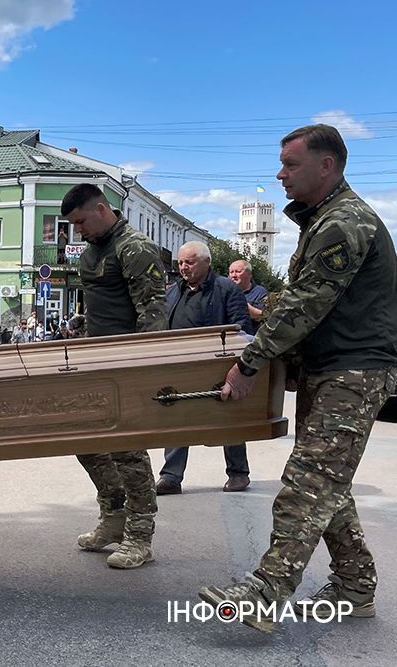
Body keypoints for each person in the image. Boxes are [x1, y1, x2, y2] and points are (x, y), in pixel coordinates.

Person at [200, 124, 397, 632]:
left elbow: (307, 306)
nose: (280, 173)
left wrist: (251, 362)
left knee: (307, 486)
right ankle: (355, 587)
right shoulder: (324, 220)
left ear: (326, 165)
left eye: (290, 164)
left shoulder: (343, 223)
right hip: (332, 369)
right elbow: (300, 300)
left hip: (354, 371)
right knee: (329, 486)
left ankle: (265, 595)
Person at [63, 182, 167, 570]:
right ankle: (114, 516)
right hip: (95, 361)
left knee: (128, 449)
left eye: (80, 222)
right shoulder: (92, 252)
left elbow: (153, 316)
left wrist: (138, 370)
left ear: (102, 209)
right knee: (85, 441)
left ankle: (140, 535)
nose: (78, 231)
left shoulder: (135, 248)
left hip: (127, 364)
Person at [156, 242, 252, 495]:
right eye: (180, 263)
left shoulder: (227, 289)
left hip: (216, 365)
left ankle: (238, 473)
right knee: (177, 417)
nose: (183, 268)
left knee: (226, 416)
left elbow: (240, 328)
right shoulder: (173, 291)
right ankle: (171, 476)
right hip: (180, 365)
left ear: (206, 262)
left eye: (189, 262)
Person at [228, 259, 269, 335]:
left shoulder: (260, 292)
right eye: (231, 272)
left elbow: (265, 316)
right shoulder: (225, 292)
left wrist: (244, 306)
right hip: (228, 338)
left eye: (238, 272)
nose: (233, 275)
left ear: (249, 274)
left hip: (251, 339)